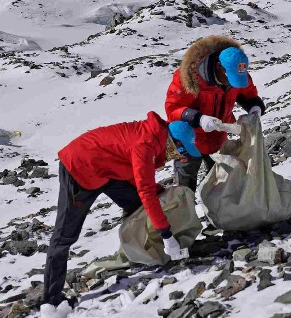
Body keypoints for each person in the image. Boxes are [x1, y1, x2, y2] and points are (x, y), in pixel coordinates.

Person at [43, 112, 201, 307]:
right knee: (64, 237)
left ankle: (138, 251)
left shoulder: (154, 137)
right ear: (174, 144)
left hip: (106, 170)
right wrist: (167, 234)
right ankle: (50, 301)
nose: (179, 157)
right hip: (79, 167)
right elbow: (146, 190)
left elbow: (129, 168)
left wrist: (158, 191)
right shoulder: (146, 145)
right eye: (182, 152)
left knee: (137, 205)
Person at [165, 35, 265, 192]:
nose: (233, 83)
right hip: (187, 139)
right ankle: (185, 214)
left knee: (221, 182)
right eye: (230, 78)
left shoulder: (237, 72)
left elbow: (248, 93)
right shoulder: (188, 78)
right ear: (219, 66)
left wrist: (255, 109)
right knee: (185, 184)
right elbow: (173, 109)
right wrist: (199, 118)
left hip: (217, 137)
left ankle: (218, 213)